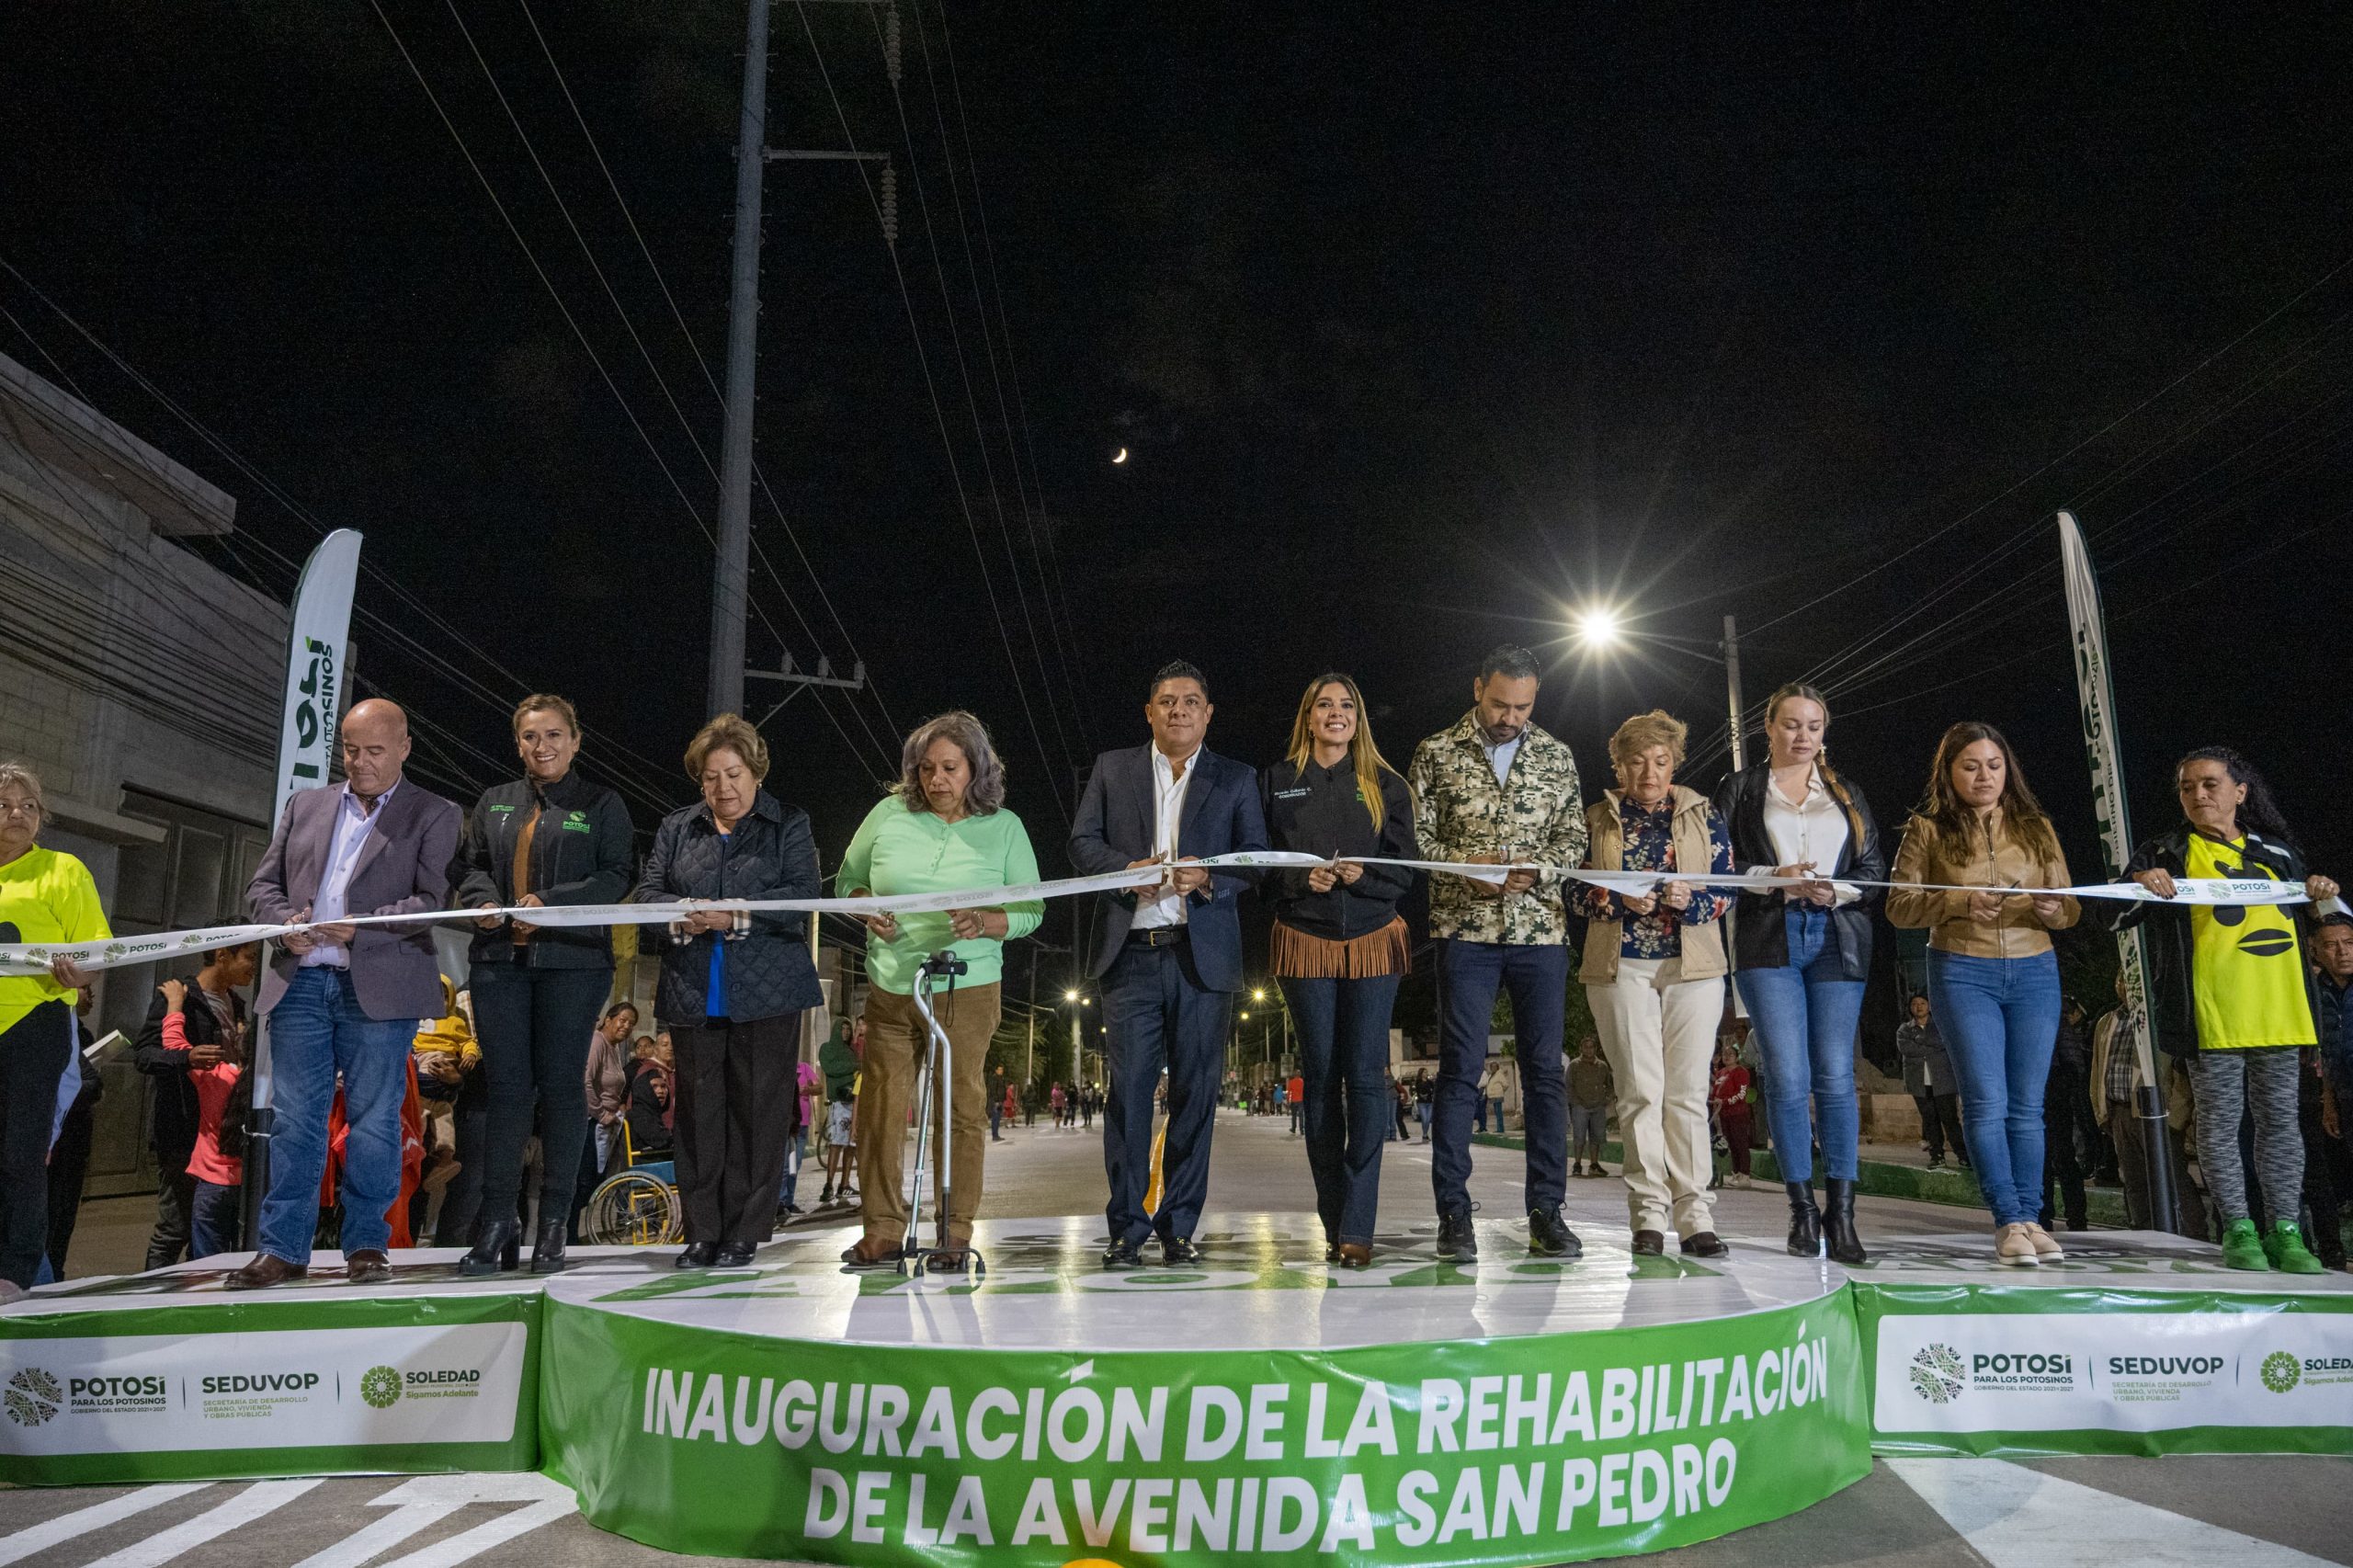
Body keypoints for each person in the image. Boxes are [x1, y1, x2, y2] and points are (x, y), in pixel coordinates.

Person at [231, 700, 461, 1290]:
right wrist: (285, 919)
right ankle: (283, 1249)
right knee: (297, 1123)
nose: (360, 763)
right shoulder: (305, 805)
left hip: (379, 989)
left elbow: (432, 900)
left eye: (374, 752)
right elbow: (262, 885)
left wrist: (363, 926)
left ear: (405, 748)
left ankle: (367, 1245)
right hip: (301, 980)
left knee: (376, 1121)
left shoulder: (434, 813)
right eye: (351, 750)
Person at [1070, 659, 1269, 1267]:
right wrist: (1122, 872)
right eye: (1166, 701)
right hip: (1130, 957)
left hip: (1200, 962)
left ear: (1207, 713)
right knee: (1128, 1096)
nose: (1178, 710)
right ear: (1149, 712)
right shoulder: (1113, 769)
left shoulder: (1236, 779)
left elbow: (1258, 860)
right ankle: (1127, 1229)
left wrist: (1209, 877)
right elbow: (1082, 843)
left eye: (1190, 701)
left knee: (1195, 1097)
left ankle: (1179, 1226)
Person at [2110, 747, 2338, 1273]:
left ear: (2241, 792)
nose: (2198, 795)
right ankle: (2237, 1227)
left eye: (2210, 784)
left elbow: (2318, 914)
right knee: (2217, 1125)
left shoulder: (2278, 854)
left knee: (2281, 1124)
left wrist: (2322, 892)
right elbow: (2115, 913)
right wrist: (2138, 883)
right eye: (2188, 787)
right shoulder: (2165, 851)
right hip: (2210, 1015)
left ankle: (2286, 1231)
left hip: (2279, 1011)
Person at [836, 710, 1042, 1271]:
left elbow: (1030, 910)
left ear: (976, 768)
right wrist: (864, 906)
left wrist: (985, 919)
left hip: (967, 985)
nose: (936, 780)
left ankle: (953, 1232)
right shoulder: (887, 814)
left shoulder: (1005, 827)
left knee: (961, 1107)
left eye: (949, 767)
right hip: (891, 982)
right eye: (926, 769)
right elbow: (846, 880)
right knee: (879, 1108)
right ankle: (880, 1229)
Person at [1409, 645, 1587, 1261]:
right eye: (1499, 704)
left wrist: (1538, 871)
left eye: (1523, 706)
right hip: (1465, 930)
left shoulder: (1556, 755)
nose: (1510, 716)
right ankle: (1453, 1215)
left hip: (1541, 933)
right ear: (1477, 686)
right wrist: (1469, 872)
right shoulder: (1435, 752)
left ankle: (1547, 1212)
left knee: (1544, 1075)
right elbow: (1418, 838)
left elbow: (1573, 836)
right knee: (1459, 1072)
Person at [1887, 722, 2080, 1267]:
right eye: (1970, 766)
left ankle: (2035, 1218)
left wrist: (2052, 909)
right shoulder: (1926, 829)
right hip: (1961, 968)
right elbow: (1899, 906)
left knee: (2028, 1106)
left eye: (1994, 764)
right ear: (1950, 772)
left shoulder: (2036, 826)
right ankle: (2008, 1219)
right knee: (1987, 1100)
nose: (1984, 776)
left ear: (2007, 769)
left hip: (2035, 969)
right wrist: (1958, 903)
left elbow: (2069, 908)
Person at [453, 695, 634, 1276]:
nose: (543, 746)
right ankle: (499, 1221)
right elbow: (470, 865)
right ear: (519, 744)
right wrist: (481, 899)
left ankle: (556, 1223)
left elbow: (615, 877)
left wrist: (552, 905)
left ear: (576, 741)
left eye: (555, 735)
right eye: (531, 737)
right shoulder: (493, 802)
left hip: (574, 964)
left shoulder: (602, 804)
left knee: (561, 1090)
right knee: (505, 1091)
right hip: (499, 962)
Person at [636, 712, 823, 1269]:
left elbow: (802, 894)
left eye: (735, 773)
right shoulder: (677, 828)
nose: (724, 787)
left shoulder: (789, 823)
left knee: (758, 1112)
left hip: (769, 992)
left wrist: (732, 917)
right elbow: (646, 893)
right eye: (712, 777)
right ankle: (701, 1232)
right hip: (693, 991)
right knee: (696, 1116)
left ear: (756, 773)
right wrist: (681, 916)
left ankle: (744, 1230)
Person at [1713, 682, 1883, 1266]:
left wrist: (1833, 889)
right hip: (1769, 937)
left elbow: (1873, 868)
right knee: (1786, 1076)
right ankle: (1801, 1211)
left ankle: (1842, 1214)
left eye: (1813, 726)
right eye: (1791, 724)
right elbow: (1722, 865)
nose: (1803, 735)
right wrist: (1777, 876)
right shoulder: (1740, 789)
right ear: (1769, 726)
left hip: (1838, 936)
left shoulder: (1847, 793)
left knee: (1835, 1075)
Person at [1260, 671, 1419, 1267]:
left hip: (1376, 938)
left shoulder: (1387, 784)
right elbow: (1257, 866)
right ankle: (1333, 1218)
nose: (1335, 713)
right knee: (1322, 1078)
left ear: (1357, 717)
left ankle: (1359, 1222)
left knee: (1367, 1076)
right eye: (1324, 704)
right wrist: (1305, 878)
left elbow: (1408, 870)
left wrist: (1363, 875)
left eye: (1346, 705)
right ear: (1307, 715)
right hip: (1306, 940)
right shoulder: (1276, 782)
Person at [1577, 710, 1736, 1257]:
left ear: (1675, 765)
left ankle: (1696, 1216)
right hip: (1621, 966)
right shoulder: (1596, 818)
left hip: (1693, 967)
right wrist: (1611, 898)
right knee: (1640, 1092)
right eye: (1637, 761)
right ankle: (1647, 1215)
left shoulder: (1704, 814)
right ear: (1618, 766)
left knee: (1688, 1094)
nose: (1649, 772)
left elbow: (1727, 890)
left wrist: (1692, 900)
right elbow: (1571, 892)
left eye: (1661, 761)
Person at [0, 762, 106, 1294]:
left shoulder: (63, 870)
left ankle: (16, 1274)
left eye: (29, 806)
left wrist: (77, 971)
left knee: (22, 1153)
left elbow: (93, 954)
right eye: (4, 805)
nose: (17, 813)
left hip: (33, 1023)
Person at [134, 941, 259, 1268]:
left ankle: (197, 1290)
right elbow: (145, 1055)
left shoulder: (236, 1003)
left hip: (224, 1135)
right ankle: (152, 1298)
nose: (254, 966)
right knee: (176, 1226)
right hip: (182, 1129)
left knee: (208, 1229)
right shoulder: (178, 998)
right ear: (222, 955)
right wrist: (186, 1057)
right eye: (250, 957)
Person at [2090, 971, 2206, 1238]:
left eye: (2132, 981)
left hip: (2156, 1113)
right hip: (2119, 1111)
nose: (2124, 986)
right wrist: (2101, 1111)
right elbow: (2098, 1067)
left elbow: (2180, 1072)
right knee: (2133, 1181)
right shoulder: (2107, 1021)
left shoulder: (2161, 1019)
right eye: (2120, 980)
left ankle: (2194, 1234)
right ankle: (2142, 1234)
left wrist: (2175, 1115)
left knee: (2172, 1178)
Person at [152, 974, 251, 1257]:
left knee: (206, 1260)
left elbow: (174, 1044)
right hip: (248, 1188)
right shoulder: (267, 1089)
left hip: (210, 1185)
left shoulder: (217, 1079)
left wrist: (174, 1004)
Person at [575, 1001, 639, 1242]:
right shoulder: (597, 1041)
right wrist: (601, 1113)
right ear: (608, 1020)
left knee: (596, 1182)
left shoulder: (613, 1048)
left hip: (606, 1125)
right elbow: (586, 1080)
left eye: (631, 1024)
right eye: (622, 1020)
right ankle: (568, 1235)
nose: (626, 1026)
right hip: (591, 1124)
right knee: (584, 1182)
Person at [1893, 994, 1968, 1171]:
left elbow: (1944, 1043)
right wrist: (1932, 1047)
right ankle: (1937, 1156)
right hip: (1920, 1083)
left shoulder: (1940, 1026)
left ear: (1929, 1006)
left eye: (1922, 1003)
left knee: (1950, 1120)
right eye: (1914, 1004)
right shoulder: (1904, 1030)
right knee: (1930, 1120)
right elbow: (1907, 1049)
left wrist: (1921, 1040)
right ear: (1910, 1007)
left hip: (1944, 1082)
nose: (1919, 1007)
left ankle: (1963, 1156)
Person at [2040, 996, 2096, 1233]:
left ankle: (2076, 1218)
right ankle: (2042, 1217)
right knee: (2038, 1162)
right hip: (2031, 1101)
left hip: (2054, 1099)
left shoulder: (2056, 1022)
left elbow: (2074, 1063)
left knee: (2063, 1159)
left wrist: (2058, 1087)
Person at [1711, 1040, 1754, 1188]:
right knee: (1732, 1144)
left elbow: (1741, 1093)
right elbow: (1716, 1091)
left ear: (1737, 1056)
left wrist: (1726, 1101)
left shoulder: (1741, 1072)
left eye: (1731, 1054)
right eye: (1725, 1054)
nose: (1727, 1057)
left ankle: (1745, 1175)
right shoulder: (1721, 1073)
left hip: (1738, 1113)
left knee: (1741, 1143)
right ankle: (1736, 1173)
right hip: (1723, 1114)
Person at [1568, 1037, 1612, 1177]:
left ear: (1595, 1049)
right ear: (1581, 1049)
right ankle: (1577, 1164)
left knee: (1596, 1137)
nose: (1589, 1050)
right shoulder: (1574, 1065)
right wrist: (1575, 1101)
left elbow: (1610, 1085)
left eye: (1591, 1047)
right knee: (1579, 1136)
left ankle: (1594, 1164)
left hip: (1597, 1107)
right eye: (1585, 1047)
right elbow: (1568, 1085)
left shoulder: (1602, 1066)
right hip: (1580, 1106)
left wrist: (1605, 1100)